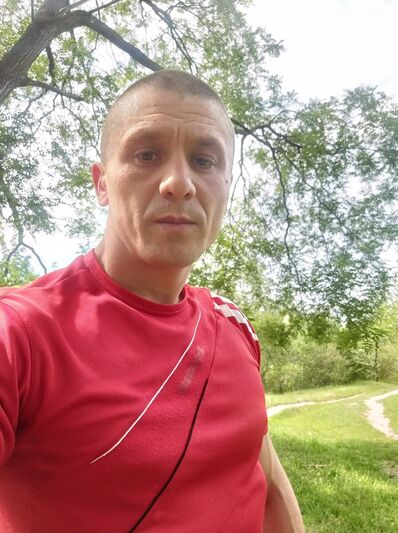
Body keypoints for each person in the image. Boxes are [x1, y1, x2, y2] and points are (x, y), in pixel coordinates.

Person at [0, 70, 304, 532]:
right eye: (147, 154)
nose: (179, 183)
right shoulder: (20, 332)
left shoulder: (232, 325)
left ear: (226, 186)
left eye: (204, 160)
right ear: (102, 183)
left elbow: (267, 480)